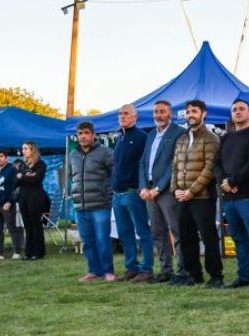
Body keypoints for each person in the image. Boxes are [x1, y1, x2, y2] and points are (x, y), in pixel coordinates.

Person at [216, 98, 249, 289]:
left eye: (241, 109)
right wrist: (224, 182)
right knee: (238, 238)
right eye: (235, 110)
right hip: (229, 198)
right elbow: (217, 164)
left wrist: (233, 181)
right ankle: (243, 276)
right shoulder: (226, 139)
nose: (238, 112)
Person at [172, 99, 222, 287]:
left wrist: (191, 191)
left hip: (203, 197)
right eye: (188, 112)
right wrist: (175, 189)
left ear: (203, 114)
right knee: (186, 237)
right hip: (182, 198)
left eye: (194, 111)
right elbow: (174, 166)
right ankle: (194, 274)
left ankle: (216, 276)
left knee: (209, 238)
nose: (190, 115)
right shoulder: (182, 138)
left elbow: (210, 168)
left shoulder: (210, 138)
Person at [139, 99, 184, 284]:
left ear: (170, 113)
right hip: (149, 190)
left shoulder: (178, 132)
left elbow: (174, 164)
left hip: (167, 190)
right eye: (156, 112)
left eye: (162, 111)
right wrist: (143, 186)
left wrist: (158, 188)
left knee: (176, 230)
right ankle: (166, 270)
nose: (159, 115)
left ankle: (182, 271)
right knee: (157, 232)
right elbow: (143, 162)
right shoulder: (150, 134)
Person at [110, 105, 154, 282]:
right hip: (117, 193)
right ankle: (132, 268)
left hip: (133, 192)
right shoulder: (119, 137)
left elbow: (145, 165)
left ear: (135, 117)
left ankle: (147, 269)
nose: (122, 116)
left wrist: (142, 187)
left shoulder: (142, 137)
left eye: (126, 114)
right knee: (124, 233)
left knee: (142, 231)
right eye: (120, 114)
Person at [69, 121, 115, 282]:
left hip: (100, 204)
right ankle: (94, 272)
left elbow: (114, 175)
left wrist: (107, 193)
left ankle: (108, 272)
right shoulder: (73, 154)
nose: (83, 136)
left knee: (103, 240)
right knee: (88, 241)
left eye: (86, 133)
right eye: (80, 133)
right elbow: (72, 177)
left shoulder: (105, 152)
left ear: (94, 135)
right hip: (80, 205)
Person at [17, 141, 50, 260]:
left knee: (35, 224)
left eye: (26, 148)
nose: (23, 151)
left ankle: (38, 251)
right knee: (27, 225)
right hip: (23, 197)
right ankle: (28, 252)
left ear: (32, 150)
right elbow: (17, 180)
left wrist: (23, 176)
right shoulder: (23, 165)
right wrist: (26, 177)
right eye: (23, 149)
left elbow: (36, 179)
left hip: (36, 197)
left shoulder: (40, 164)